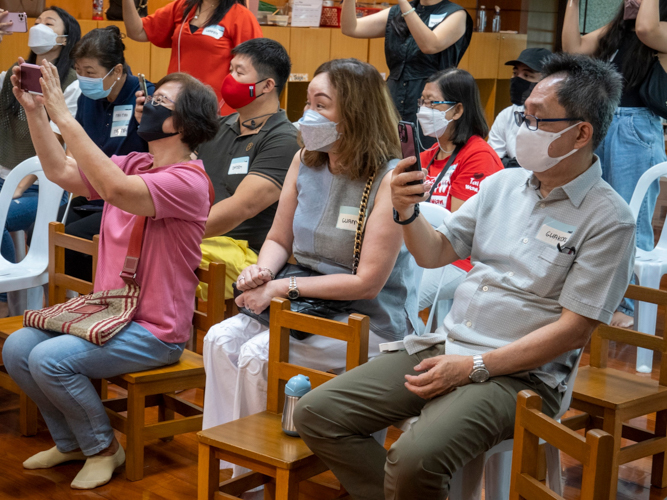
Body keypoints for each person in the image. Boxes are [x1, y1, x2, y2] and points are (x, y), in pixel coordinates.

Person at [293, 53, 636, 500]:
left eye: (536, 119)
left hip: (523, 375)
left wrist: (472, 368)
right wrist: (406, 211)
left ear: (581, 132)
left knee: (415, 458)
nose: (520, 127)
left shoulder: (609, 219)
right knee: (318, 413)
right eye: (521, 115)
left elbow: (572, 332)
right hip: (448, 344)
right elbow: (435, 253)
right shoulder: (504, 185)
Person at [3, 61, 219, 489]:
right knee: (17, 347)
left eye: (160, 101)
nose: (147, 104)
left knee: (50, 360)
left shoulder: (188, 181)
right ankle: (71, 443)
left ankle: (104, 448)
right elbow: (61, 172)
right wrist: (35, 110)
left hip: (155, 330)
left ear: (185, 123)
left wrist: (64, 114)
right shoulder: (137, 162)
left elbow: (117, 191)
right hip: (109, 312)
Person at [202, 58, 422, 475]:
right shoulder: (306, 159)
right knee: (218, 339)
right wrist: (262, 272)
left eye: (322, 105)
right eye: (308, 103)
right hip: (300, 306)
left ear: (355, 113)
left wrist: (282, 289)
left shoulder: (389, 178)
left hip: (366, 322)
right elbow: (279, 239)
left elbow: (368, 283)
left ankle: (257, 473)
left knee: (255, 354)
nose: (309, 115)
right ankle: (233, 464)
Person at [563, 0, 667, 327]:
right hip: (603, 121)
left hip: (637, 127)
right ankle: (585, 298)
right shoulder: (617, 30)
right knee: (588, 209)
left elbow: (647, 27)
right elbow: (574, 48)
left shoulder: (658, 32)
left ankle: (626, 307)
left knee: (628, 217)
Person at [194, 38, 298, 299]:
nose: (229, 78)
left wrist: (181, 232)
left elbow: (243, 207)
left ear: (266, 86)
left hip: (245, 255)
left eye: (239, 72)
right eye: (230, 70)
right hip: (203, 240)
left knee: (154, 253)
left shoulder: (285, 139)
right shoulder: (217, 126)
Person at [0, 7, 81, 315]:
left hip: (40, 186)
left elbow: (55, 151)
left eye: (48, 23)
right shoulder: (13, 75)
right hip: (4, 178)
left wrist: (18, 187)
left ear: (64, 37)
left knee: (2, 216)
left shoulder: (71, 84)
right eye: (35, 22)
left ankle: (8, 296)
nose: (38, 27)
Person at [62, 25, 156, 282]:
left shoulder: (146, 98)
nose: (83, 79)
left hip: (127, 199)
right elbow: (77, 143)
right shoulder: (87, 97)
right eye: (79, 72)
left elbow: (160, 156)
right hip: (90, 192)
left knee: (73, 237)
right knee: (51, 228)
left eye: (90, 73)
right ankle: (80, 299)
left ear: (116, 70)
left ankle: (95, 298)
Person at [416, 67, 502, 329]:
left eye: (432, 102)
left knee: (401, 297)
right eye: (422, 101)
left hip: (461, 259)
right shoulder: (430, 153)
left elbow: (460, 230)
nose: (423, 109)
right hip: (423, 252)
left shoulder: (478, 156)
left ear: (456, 110)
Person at [341, 0, 472, 145]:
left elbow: (430, 45)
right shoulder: (397, 11)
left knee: (424, 154)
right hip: (393, 94)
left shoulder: (456, 14)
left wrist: (403, 3)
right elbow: (351, 28)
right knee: (387, 151)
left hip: (431, 101)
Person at [122, 0, 262, 115]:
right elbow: (137, 31)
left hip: (217, 114)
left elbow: (254, 70)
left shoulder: (241, 16)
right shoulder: (182, 7)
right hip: (176, 109)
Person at [488, 47, 551, 168]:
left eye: (527, 75)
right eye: (515, 73)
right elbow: (492, 161)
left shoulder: (557, 119)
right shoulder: (506, 115)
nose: (517, 79)